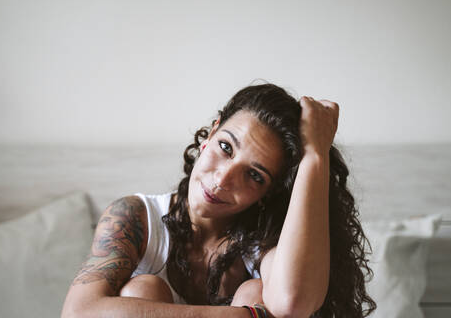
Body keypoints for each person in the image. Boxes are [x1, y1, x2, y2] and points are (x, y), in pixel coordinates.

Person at [61, 83, 377, 318]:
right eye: (226, 147)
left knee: (256, 292)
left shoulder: (262, 243)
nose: (223, 179)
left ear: (269, 192)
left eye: (254, 176)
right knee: (143, 290)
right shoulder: (134, 216)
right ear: (211, 132)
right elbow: (78, 312)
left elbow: (293, 302)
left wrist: (315, 157)